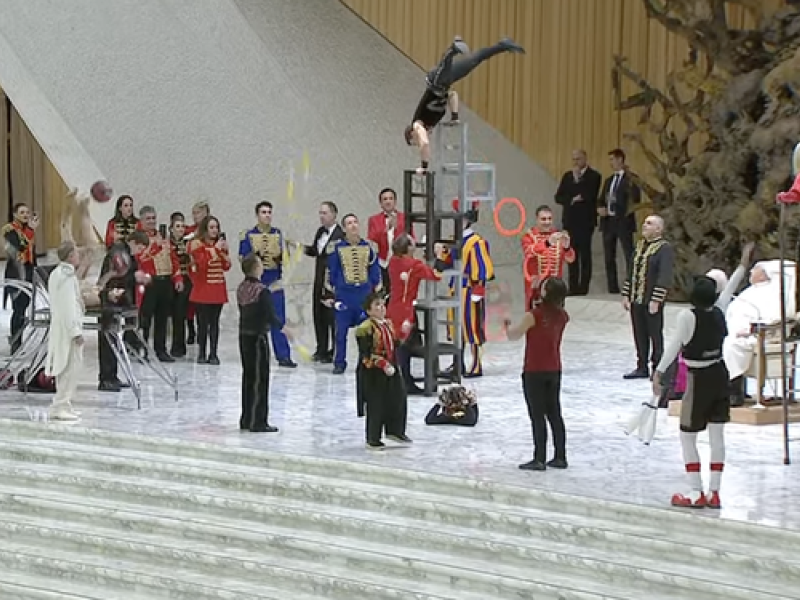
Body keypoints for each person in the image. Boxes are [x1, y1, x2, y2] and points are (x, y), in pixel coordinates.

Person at [652, 276, 729, 509]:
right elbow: (731, 288)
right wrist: (742, 266)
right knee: (717, 436)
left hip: (699, 380)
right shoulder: (719, 311)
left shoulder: (687, 316)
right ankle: (714, 492)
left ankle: (695, 491)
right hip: (720, 375)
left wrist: (659, 371)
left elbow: (675, 344)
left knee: (687, 435)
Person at [404, 37, 524, 171]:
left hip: (434, 83)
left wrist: (423, 167)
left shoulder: (417, 125)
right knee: (474, 60)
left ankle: (452, 49)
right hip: (446, 84)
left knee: (445, 65)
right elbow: (452, 95)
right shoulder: (431, 123)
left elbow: (425, 144)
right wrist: (454, 116)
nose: (419, 141)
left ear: (411, 134)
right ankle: (502, 45)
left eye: (414, 142)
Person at [504, 277, 570, 472]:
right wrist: (535, 293)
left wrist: (507, 326)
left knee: (537, 416)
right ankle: (560, 456)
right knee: (555, 414)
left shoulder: (534, 316)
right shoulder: (563, 316)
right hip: (554, 369)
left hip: (534, 370)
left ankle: (539, 458)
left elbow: (514, 335)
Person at [723, 259, 795, 406]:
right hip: (737, 332)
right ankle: (732, 390)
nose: (751, 272)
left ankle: (734, 393)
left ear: (764, 274)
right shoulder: (752, 290)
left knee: (732, 346)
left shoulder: (773, 293)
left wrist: (750, 330)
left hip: (760, 336)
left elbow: (772, 318)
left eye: (755, 269)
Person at [237, 253, 294, 433]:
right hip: (258, 338)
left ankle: (246, 418)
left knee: (248, 377)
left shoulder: (241, 288)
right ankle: (258, 421)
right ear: (256, 268)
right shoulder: (262, 290)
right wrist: (284, 328)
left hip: (244, 336)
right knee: (260, 379)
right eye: (260, 263)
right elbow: (270, 314)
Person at [238, 201, 296, 368]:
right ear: (257, 215)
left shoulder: (279, 235)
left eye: (269, 212)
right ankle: (256, 352)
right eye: (264, 212)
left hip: (274, 282)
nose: (267, 215)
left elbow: (287, 259)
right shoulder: (248, 235)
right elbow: (243, 258)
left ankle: (283, 355)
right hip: (256, 282)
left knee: (278, 317)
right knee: (255, 319)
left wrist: (282, 256)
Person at [441, 200, 494, 378]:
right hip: (455, 288)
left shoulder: (476, 242)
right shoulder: (455, 240)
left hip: (469, 289)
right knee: (456, 328)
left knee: (472, 327)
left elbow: (482, 269)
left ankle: (476, 364)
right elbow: (446, 261)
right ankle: (458, 363)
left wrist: (478, 290)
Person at [386, 234, 444, 394]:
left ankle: (401, 381)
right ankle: (407, 382)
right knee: (408, 347)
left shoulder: (393, 262)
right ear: (409, 248)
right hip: (406, 311)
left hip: (392, 308)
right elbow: (436, 275)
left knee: (398, 346)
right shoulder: (414, 265)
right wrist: (438, 256)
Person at [325, 213, 382, 374]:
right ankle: (339, 362)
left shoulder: (369, 246)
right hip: (345, 295)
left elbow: (374, 268)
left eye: (355, 222)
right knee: (340, 331)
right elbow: (332, 271)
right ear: (344, 228)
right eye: (349, 223)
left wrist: (372, 286)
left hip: (363, 295)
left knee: (367, 331)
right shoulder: (336, 248)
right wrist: (336, 290)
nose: (353, 225)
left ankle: (367, 360)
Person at [355, 293, 411, 450]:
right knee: (376, 404)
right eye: (377, 305)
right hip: (373, 371)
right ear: (369, 311)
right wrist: (383, 364)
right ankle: (373, 438)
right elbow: (366, 354)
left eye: (382, 304)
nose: (381, 308)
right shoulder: (365, 329)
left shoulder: (388, 324)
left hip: (391, 368)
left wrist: (404, 332)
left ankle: (395, 430)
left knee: (398, 398)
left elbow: (394, 344)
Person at [622, 215, 674, 379]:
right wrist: (626, 294)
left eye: (649, 223)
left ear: (659, 229)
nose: (644, 225)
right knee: (639, 333)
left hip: (651, 299)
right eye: (644, 222)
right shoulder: (639, 246)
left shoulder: (664, 248)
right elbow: (630, 272)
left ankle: (658, 368)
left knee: (655, 334)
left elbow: (664, 276)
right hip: (636, 298)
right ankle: (641, 366)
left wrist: (656, 299)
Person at [97, 231, 149, 392]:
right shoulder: (118, 253)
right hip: (109, 300)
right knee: (108, 341)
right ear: (133, 242)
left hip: (118, 300)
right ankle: (106, 378)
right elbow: (115, 277)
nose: (139, 252)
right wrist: (135, 278)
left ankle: (112, 376)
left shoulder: (126, 253)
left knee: (114, 341)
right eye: (139, 248)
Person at [137, 205, 184, 362]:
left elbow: (174, 260)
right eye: (148, 219)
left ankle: (161, 349)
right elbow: (139, 259)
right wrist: (154, 248)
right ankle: (142, 349)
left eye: (153, 218)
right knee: (145, 318)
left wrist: (177, 279)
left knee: (162, 318)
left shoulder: (164, 239)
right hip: (149, 282)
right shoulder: (138, 239)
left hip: (165, 282)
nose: (151, 221)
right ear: (142, 220)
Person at [44, 242, 85, 421]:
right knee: (69, 367)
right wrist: (75, 331)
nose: (79, 256)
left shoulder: (58, 273)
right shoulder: (66, 276)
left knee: (68, 367)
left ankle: (64, 403)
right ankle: (60, 404)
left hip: (61, 326)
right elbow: (69, 306)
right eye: (76, 254)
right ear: (70, 256)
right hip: (67, 328)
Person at [554, 150, 602, 295]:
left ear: (585, 159)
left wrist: (577, 183)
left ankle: (583, 287)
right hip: (570, 222)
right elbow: (558, 197)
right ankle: (573, 286)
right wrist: (572, 199)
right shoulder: (568, 176)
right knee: (571, 254)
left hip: (586, 222)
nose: (575, 162)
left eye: (578, 159)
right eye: (573, 159)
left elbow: (589, 195)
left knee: (585, 255)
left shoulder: (594, 176)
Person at [303, 201, 344, 363]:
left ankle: (334, 350)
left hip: (331, 281)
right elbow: (316, 250)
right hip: (319, 279)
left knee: (331, 317)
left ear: (334, 215)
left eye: (325, 213)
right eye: (320, 213)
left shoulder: (340, 235)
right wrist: (300, 248)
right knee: (318, 315)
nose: (322, 216)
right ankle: (321, 348)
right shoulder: (321, 232)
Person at [189, 216, 231, 365]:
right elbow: (201, 265)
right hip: (203, 289)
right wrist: (215, 250)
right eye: (211, 227)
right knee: (202, 323)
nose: (215, 231)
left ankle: (213, 353)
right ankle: (201, 353)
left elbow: (226, 266)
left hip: (217, 288)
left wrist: (224, 253)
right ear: (205, 229)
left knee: (214, 323)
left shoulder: (219, 244)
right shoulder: (196, 244)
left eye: (216, 227)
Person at [598, 149, 640, 293]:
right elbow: (601, 198)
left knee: (628, 254)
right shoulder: (609, 180)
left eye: (612, 159)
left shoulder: (631, 179)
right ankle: (612, 287)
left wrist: (618, 206)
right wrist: (600, 208)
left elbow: (635, 200)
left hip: (623, 221)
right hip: (608, 221)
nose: (611, 163)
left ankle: (631, 286)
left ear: (620, 159)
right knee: (609, 256)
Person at [521, 205, 575, 308]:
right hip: (536, 286)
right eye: (543, 219)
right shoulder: (529, 236)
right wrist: (547, 243)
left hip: (555, 286)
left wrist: (567, 247)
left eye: (549, 219)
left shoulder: (558, 235)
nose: (547, 222)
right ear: (537, 219)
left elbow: (570, 259)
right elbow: (529, 252)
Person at [3, 203, 39, 353]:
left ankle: (19, 339)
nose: (25, 215)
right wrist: (30, 230)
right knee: (17, 309)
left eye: (27, 212)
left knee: (24, 307)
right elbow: (18, 250)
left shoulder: (26, 230)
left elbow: (32, 252)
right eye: (22, 212)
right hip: (16, 273)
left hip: (29, 272)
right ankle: (15, 343)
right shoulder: (9, 230)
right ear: (15, 214)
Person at [367, 188, 407, 296]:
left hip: (400, 262)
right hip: (382, 263)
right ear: (381, 203)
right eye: (385, 199)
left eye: (391, 198)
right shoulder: (374, 220)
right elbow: (372, 239)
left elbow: (409, 239)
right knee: (382, 294)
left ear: (395, 201)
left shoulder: (405, 218)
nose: (388, 201)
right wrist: (386, 228)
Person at [169, 212, 192, 358]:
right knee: (175, 314)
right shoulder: (168, 244)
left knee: (181, 314)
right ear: (171, 228)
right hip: (172, 281)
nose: (181, 229)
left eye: (182, 226)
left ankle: (180, 345)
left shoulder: (188, 243)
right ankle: (175, 345)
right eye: (177, 226)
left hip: (187, 280)